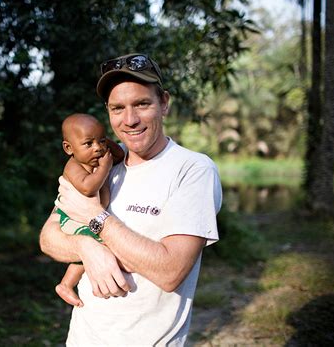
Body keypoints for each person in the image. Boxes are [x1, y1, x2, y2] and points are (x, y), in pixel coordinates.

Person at [40, 53, 222, 346]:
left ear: (164, 103)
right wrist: (86, 247)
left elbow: (170, 271)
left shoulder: (193, 170)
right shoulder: (102, 159)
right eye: (117, 108)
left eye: (142, 104)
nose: (130, 120)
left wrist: (96, 219)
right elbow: (49, 237)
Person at [54, 113, 124, 308]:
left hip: (87, 217)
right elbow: (88, 187)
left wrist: (103, 142)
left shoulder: (98, 156)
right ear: (69, 148)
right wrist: (104, 168)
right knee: (98, 243)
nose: (98, 149)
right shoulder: (74, 166)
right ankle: (66, 284)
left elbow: (120, 155)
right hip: (72, 219)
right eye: (88, 144)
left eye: (101, 141)